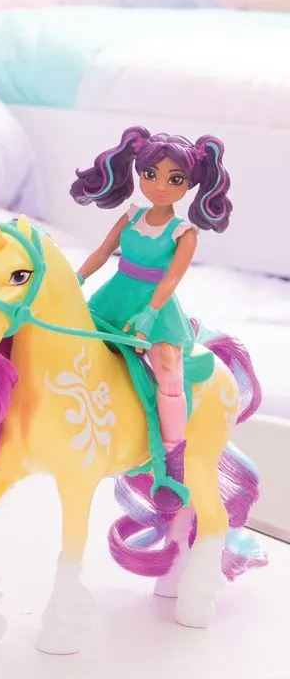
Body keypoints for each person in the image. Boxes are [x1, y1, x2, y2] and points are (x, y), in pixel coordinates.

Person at [71, 126, 232, 454]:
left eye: (175, 179)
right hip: (114, 299)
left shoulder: (183, 232)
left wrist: (149, 315)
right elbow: (102, 252)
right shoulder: (131, 216)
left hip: (156, 309)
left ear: (190, 184)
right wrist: (76, 279)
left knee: (169, 379)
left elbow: (171, 279)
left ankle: (171, 454)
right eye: (150, 174)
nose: (160, 186)